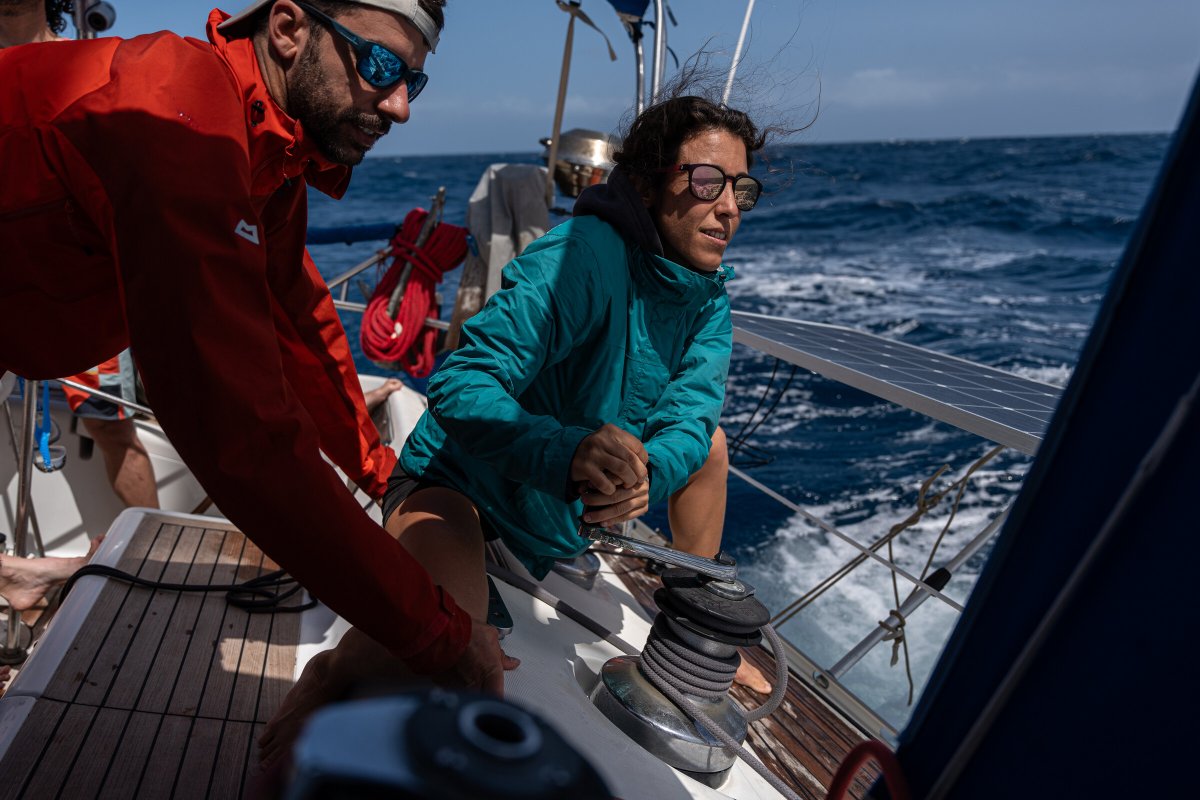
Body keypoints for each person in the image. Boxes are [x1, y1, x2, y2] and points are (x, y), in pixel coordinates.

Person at [0, 0, 506, 705]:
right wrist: (435, 633)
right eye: (381, 66)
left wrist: (380, 472)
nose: (398, 107)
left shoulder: (260, 147)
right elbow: (234, 425)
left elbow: (297, 323)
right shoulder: (175, 117)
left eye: (411, 83)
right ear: (290, 29)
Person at [258, 93, 774, 763]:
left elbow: (691, 417)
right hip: (460, 491)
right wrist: (567, 453)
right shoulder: (582, 256)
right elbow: (460, 382)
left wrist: (642, 476)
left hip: (553, 522)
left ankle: (690, 620)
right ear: (648, 183)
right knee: (446, 650)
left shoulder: (708, 299)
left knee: (709, 446)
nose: (729, 206)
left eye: (742, 189)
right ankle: (333, 673)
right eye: (705, 181)